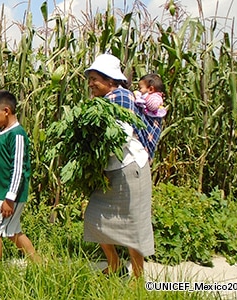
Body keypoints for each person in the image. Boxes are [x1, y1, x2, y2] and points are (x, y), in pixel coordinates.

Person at [82, 53, 161, 279]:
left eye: (95, 78)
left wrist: (93, 152)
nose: (91, 84)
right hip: (110, 169)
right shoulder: (104, 101)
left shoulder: (122, 98)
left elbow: (120, 137)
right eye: (90, 79)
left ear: (110, 80)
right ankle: (114, 263)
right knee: (94, 217)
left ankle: (138, 276)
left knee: (133, 225)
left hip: (130, 169)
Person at [0, 90, 41, 266]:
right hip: (4, 195)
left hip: (11, 195)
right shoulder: (5, 132)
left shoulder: (16, 134)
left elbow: (18, 169)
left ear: (6, 111)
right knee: (12, 232)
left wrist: (9, 198)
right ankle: (41, 266)